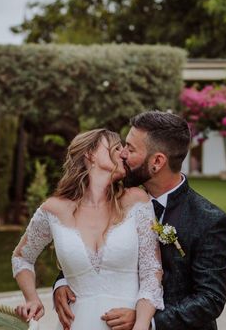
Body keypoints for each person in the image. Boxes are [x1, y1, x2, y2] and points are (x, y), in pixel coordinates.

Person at [54, 111, 226, 330]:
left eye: (130, 149)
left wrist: (147, 322)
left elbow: (210, 299)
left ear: (157, 161)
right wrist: (63, 281)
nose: (122, 154)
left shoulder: (209, 221)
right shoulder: (114, 199)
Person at [12, 128, 164, 329]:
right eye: (116, 147)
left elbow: (152, 269)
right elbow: (22, 257)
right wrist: (32, 298)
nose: (123, 153)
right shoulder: (54, 209)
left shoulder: (136, 200)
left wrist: (142, 323)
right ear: (90, 154)